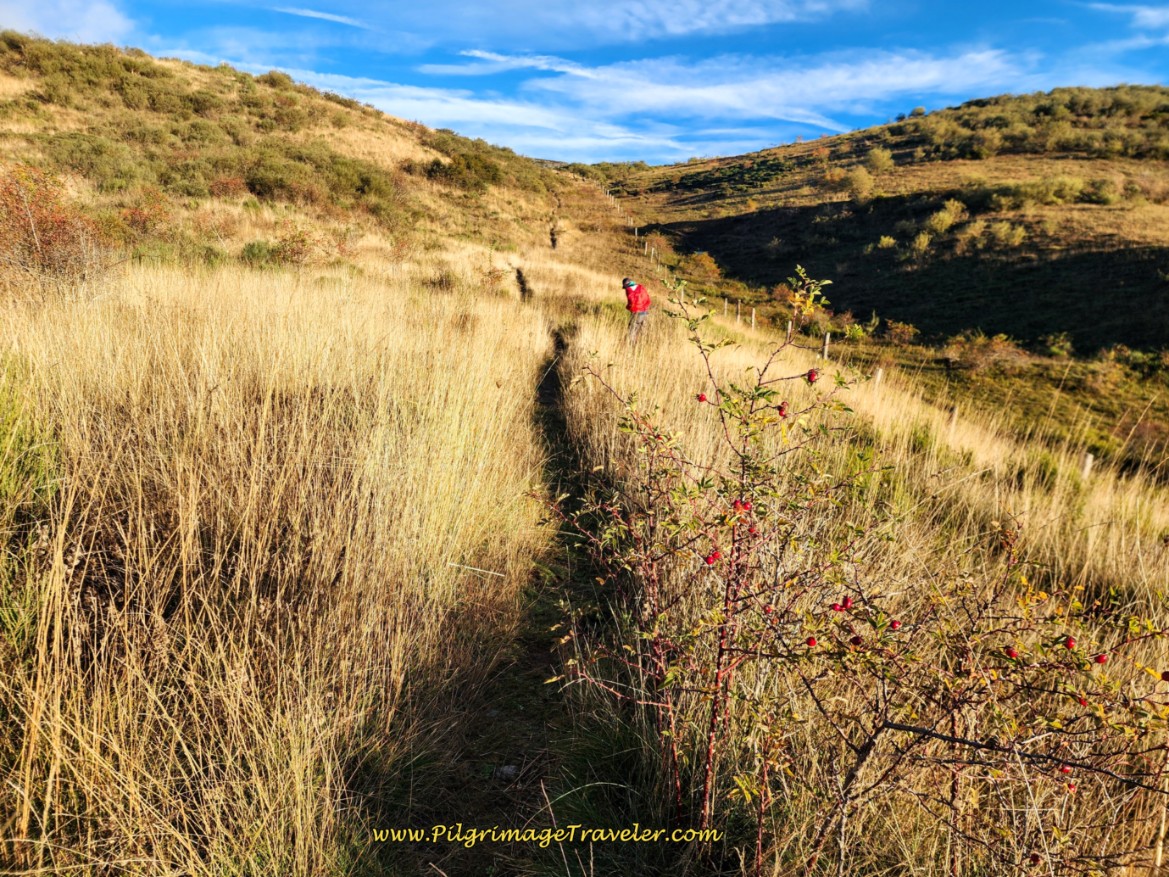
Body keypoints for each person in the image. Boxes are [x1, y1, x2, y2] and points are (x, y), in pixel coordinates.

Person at [623, 277, 651, 345]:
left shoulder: (628, 290)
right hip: (645, 312)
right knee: (643, 331)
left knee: (632, 331)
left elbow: (631, 302)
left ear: (626, 285)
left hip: (636, 312)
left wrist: (629, 308)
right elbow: (648, 299)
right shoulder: (641, 287)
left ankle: (632, 346)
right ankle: (643, 346)